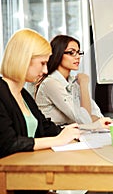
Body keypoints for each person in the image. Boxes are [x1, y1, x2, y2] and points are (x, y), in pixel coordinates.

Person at [0, 29, 80, 158]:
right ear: (23, 60)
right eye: (42, 63)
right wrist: (57, 140)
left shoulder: (23, 94)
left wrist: (74, 132)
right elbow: (7, 143)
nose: (45, 70)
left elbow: (45, 127)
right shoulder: (2, 93)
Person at [35, 35, 112, 129]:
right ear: (58, 54)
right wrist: (84, 84)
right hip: (53, 135)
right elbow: (84, 119)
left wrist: (94, 119)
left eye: (79, 53)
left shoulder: (73, 81)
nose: (78, 57)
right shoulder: (50, 83)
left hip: (71, 133)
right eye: (71, 53)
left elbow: (95, 114)